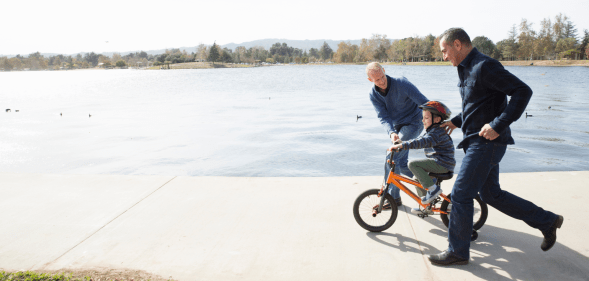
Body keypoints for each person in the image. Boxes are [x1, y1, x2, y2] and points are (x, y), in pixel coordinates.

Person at [428, 28, 564, 266]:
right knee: (491, 194)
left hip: (487, 143)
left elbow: (522, 91)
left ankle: (457, 251)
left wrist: (499, 125)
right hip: (475, 142)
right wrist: (456, 121)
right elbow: (477, 103)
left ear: (457, 44)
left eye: (444, 51)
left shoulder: (485, 66)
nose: (443, 56)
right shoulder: (466, 68)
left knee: (460, 195)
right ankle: (547, 221)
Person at [367, 62, 430, 207]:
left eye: (382, 77)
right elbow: (383, 117)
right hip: (398, 127)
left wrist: (437, 121)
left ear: (384, 70)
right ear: (371, 80)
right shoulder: (373, 95)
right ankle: (429, 182)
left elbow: (424, 101)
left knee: (392, 156)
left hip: (415, 123)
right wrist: (391, 132)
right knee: (401, 164)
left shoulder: (401, 83)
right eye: (377, 80)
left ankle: (393, 198)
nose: (381, 81)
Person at [389, 101, 455, 215]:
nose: (423, 120)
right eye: (422, 117)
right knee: (416, 178)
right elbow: (418, 140)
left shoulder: (436, 133)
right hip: (441, 163)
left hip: (442, 164)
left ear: (437, 119)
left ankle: (433, 190)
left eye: (426, 118)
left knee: (412, 164)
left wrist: (401, 146)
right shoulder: (433, 131)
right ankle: (426, 205)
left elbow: (421, 142)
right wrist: (402, 142)